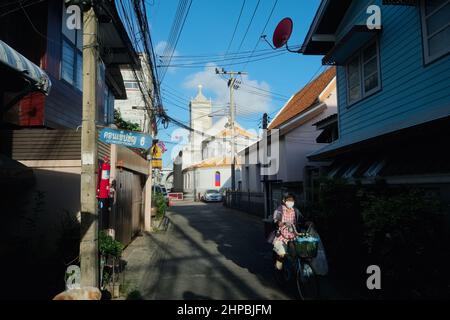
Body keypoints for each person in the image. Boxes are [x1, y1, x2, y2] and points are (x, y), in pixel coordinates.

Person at [272, 193, 306, 270]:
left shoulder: (295, 210)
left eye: (292, 200)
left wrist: (307, 222)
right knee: (282, 254)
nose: (290, 202)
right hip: (281, 236)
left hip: (293, 235)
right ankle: (278, 268)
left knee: (296, 254)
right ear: (284, 201)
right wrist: (283, 223)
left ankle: (294, 269)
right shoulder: (279, 210)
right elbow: (276, 221)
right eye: (288, 200)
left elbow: (302, 219)